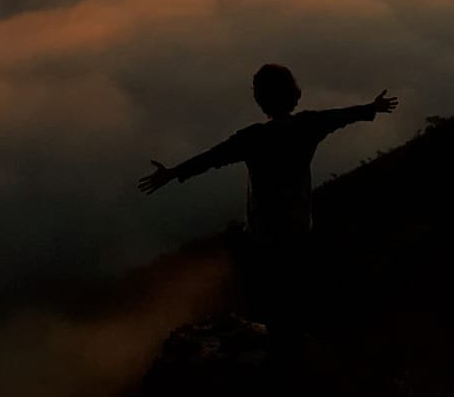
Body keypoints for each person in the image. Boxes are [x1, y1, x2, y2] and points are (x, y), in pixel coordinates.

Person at [139, 64, 398, 355]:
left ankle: (279, 354)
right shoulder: (308, 126)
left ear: (260, 99)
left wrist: (173, 173)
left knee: (272, 300)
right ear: (294, 95)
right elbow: (340, 117)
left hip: (264, 234)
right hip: (299, 228)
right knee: (296, 299)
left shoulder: (252, 138)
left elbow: (212, 157)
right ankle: (296, 351)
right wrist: (370, 107)